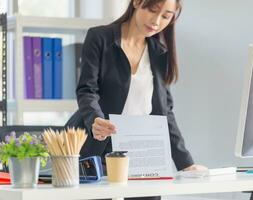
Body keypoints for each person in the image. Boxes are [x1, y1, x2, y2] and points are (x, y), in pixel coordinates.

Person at [66, 0, 207, 199]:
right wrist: (95, 120)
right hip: (98, 149)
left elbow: (165, 112)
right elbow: (87, 90)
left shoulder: (160, 53)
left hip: (141, 154)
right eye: (152, 10)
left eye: (166, 16)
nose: (156, 21)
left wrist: (186, 163)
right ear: (137, 2)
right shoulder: (100, 37)